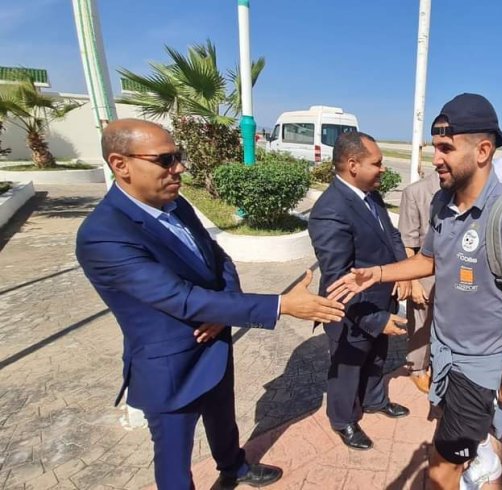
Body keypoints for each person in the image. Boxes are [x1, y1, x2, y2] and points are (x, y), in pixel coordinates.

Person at [75, 119, 346, 489]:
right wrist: (282, 304)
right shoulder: (103, 236)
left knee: (223, 420)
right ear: (121, 164)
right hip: (171, 366)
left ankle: (234, 466)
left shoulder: (176, 204)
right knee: (174, 464)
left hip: (212, 339)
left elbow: (218, 260)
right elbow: (178, 298)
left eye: (179, 156)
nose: (180, 168)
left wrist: (222, 309)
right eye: (166, 159)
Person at [327, 93, 502, 489]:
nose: (436, 158)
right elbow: (430, 260)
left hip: (478, 367)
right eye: (434, 148)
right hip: (442, 354)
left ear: (482, 151)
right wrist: (377, 273)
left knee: (440, 469)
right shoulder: (443, 202)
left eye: (446, 148)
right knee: (462, 441)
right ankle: (483, 460)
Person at [307, 131, 412, 451]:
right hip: (352, 309)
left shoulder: (370, 194)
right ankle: (344, 420)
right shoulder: (331, 209)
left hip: (381, 296)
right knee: (348, 367)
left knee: (376, 356)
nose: (383, 169)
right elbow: (338, 278)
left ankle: (374, 400)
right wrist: (376, 319)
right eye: (376, 163)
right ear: (353, 165)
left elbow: (392, 237)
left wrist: (404, 272)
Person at [398, 167, 441, 393]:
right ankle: (417, 369)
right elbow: (408, 241)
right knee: (421, 323)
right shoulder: (416, 192)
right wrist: (413, 280)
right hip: (423, 273)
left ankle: (439, 363)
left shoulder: (461, 190)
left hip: (451, 274)